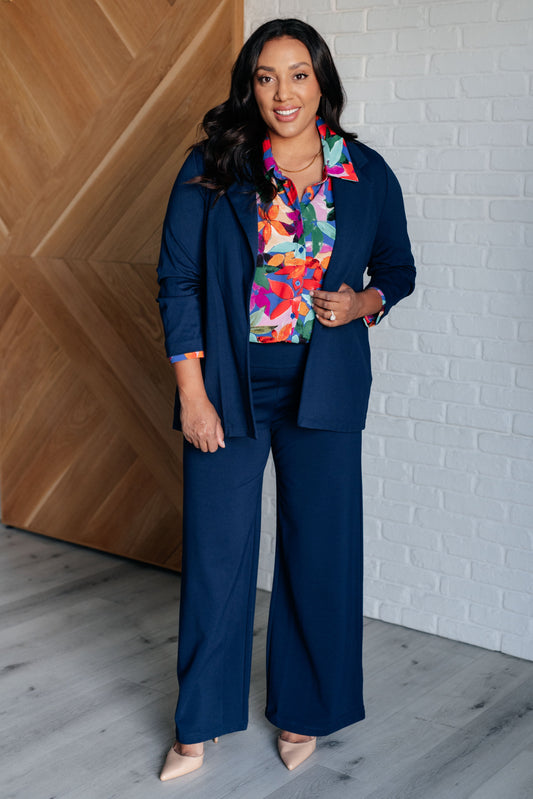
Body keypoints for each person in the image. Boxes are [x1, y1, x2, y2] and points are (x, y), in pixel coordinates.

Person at [156, 18, 415, 781]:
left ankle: (304, 709)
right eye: (265, 77)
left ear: (320, 80)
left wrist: (361, 302)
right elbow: (178, 282)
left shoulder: (364, 172)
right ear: (250, 86)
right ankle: (199, 720)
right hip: (229, 386)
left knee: (319, 552)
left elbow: (397, 268)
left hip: (325, 384)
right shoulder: (213, 167)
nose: (283, 92)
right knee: (216, 553)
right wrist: (192, 395)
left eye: (297, 74)